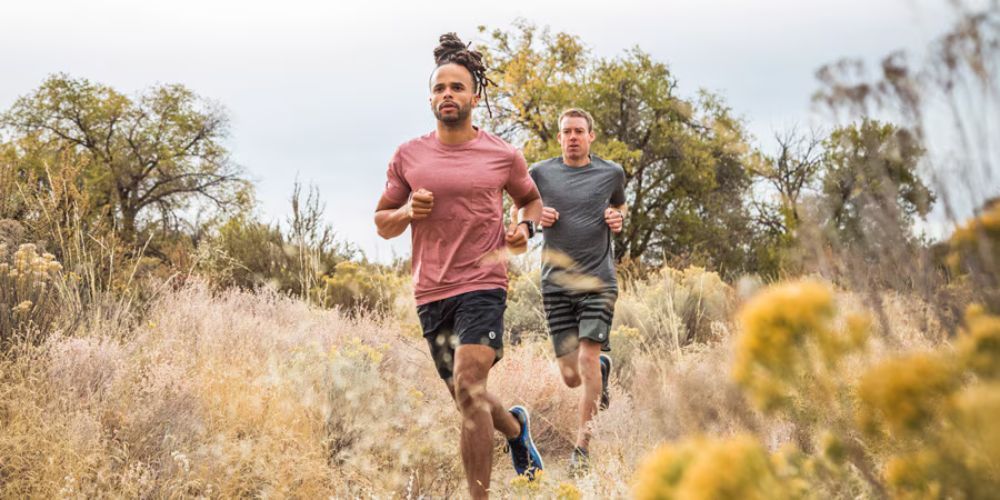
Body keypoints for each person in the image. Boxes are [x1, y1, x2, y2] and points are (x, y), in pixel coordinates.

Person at [374, 33, 544, 498]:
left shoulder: (502, 154)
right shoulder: (409, 156)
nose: (447, 94)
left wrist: (524, 231)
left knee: (470, 386)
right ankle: (514, 430)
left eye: (456, 87)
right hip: (432, 290)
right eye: (439, 88)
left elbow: (530, 201)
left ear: (475, 95)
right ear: (430, 97)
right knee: (465, 396)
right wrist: (408, 212)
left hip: (483, 282)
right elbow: (381, 222)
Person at [526, 107, 627, 475]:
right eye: (566, 131)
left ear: (591, 136)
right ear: (559, 137)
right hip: (555, 284)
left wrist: (617, 217)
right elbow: (521, 208)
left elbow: (619, 204)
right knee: (571, 376)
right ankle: (601, 367)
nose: (572, 137)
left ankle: (582, 450)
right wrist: (536, 217)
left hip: (598, 280)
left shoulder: (611, 172)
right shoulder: (540, 172)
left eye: (579, 131)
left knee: (585, 361)